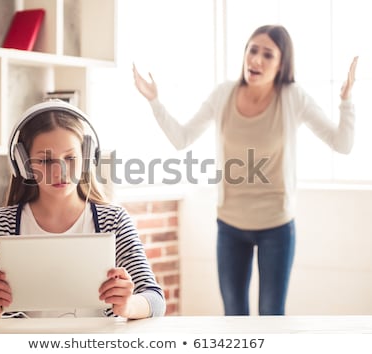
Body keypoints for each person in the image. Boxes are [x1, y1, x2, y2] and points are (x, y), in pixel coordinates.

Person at [133, 24, 358, 316]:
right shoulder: (224, 94)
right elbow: (182, 138)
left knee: (270, 315)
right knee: (234, 315)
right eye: (253, 50)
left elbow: (341, 143)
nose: (256, 60)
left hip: (276, 226)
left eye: (267, 55)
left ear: (281, 64)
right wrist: (154, 101)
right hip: (230, 225)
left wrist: (346, 101)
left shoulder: (292, 97)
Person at [0, 100, 166, 323]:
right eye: (46, 160)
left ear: (87, 158)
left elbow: (155, 299)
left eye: (70, 158)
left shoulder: (114, 221)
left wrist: (128, 305)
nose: (59, 171)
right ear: (24, 164)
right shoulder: (2, 224)